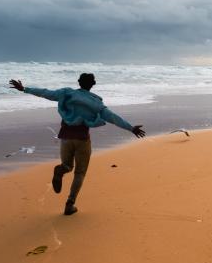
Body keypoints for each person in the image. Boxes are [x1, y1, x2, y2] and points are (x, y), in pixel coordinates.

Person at [9, 73, 145, 215]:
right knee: (79, 173)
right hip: (82, 140)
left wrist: (24, 89)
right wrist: (131, 128)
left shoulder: (67, 93)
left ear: (78, 82)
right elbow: (113, 118)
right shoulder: (96, 103)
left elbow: (46, 93)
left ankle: (61, 170)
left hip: (66, 137)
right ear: (93, 84)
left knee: (67, 166)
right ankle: (70, 204)